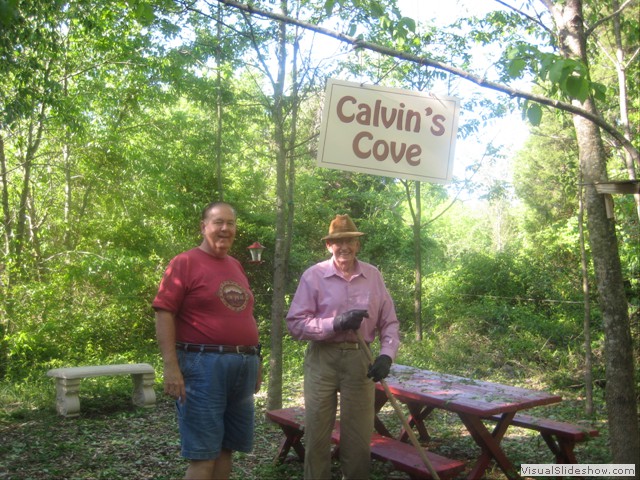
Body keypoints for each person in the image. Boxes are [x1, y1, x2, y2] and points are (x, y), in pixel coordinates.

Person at [286, 214, 400, 480]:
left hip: (361, 361)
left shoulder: (373, 276)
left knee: (359, 435)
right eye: (338, 242)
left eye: (349, 240)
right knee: (316, 432)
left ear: (357, 244)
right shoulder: (313, 276)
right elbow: (295, 324)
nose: (344, 246)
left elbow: (390, 322)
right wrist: (335, 323)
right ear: (329, 245)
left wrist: (386, 356)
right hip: (322, 360)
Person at [153, 201, 262, 480]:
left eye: (231, 223)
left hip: (243, 365)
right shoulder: (185, 262)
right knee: (203, 455)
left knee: (226, 449)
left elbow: (244, 316)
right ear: (203, 227)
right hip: (203, 366)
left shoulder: (236, 265)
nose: (225, 228)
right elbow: (164, 312)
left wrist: (256, 360)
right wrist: (171, 366)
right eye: (218, 222)